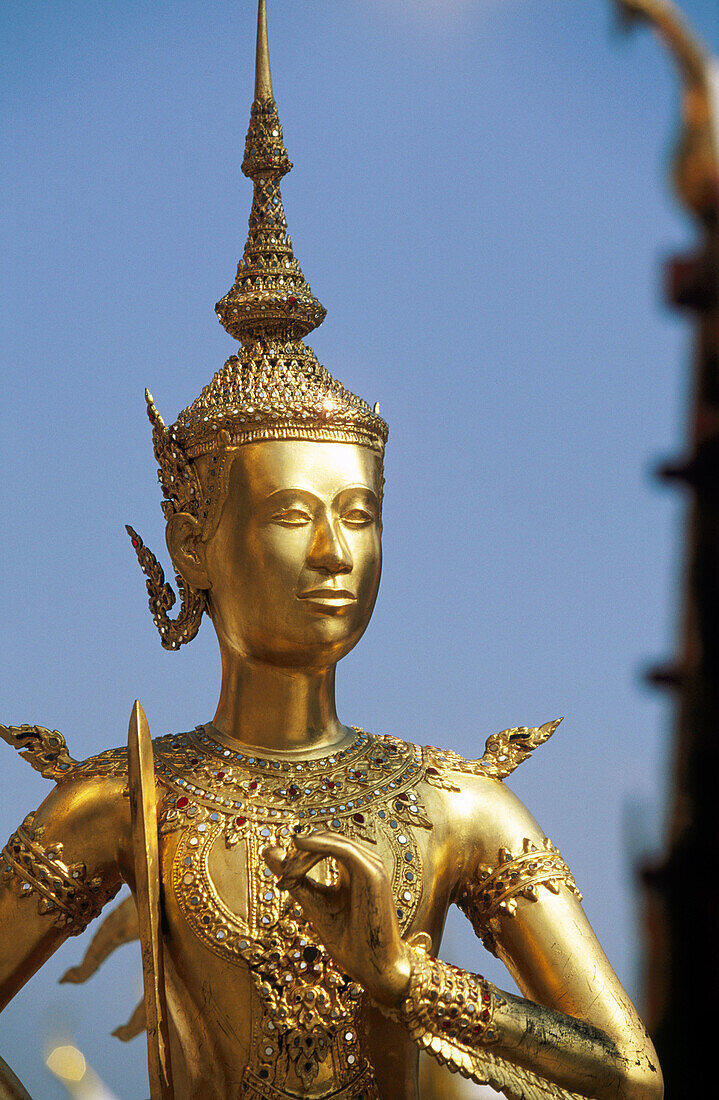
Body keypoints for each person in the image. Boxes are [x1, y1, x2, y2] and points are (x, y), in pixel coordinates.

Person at [0, 4, 662, 1098]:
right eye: (291, 513)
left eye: (359, 513)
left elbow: (627, 1071)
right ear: (193, 537)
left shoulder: (449, 804)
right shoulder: (129, 802)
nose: (333, 549)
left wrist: (418, 982)